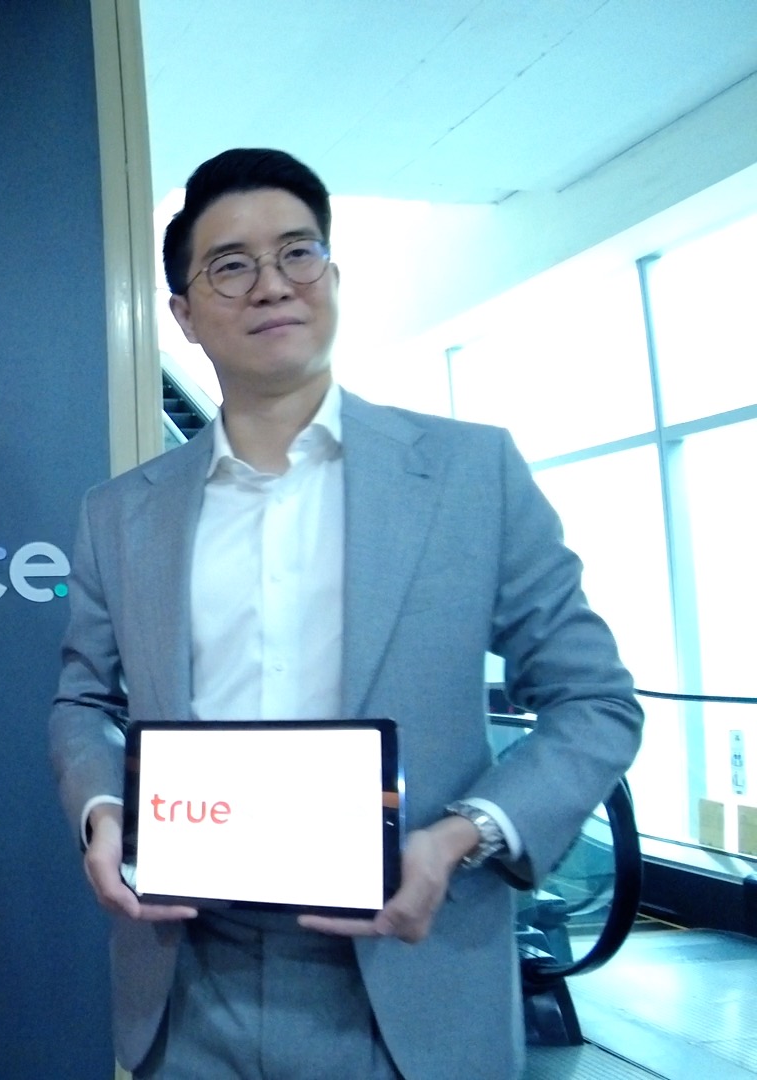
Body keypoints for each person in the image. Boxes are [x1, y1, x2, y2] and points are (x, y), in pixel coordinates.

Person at [48, 148, 641, 1079]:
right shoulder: (120, 514)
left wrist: (462, 836)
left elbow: (595, 701)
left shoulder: (470, 475)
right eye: (230, 265)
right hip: (188, 976)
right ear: (184, 315)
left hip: (411, 968)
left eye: (298, 251)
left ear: (333, 275)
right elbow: (84, 701)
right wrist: (102, 809)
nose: (272, 284)